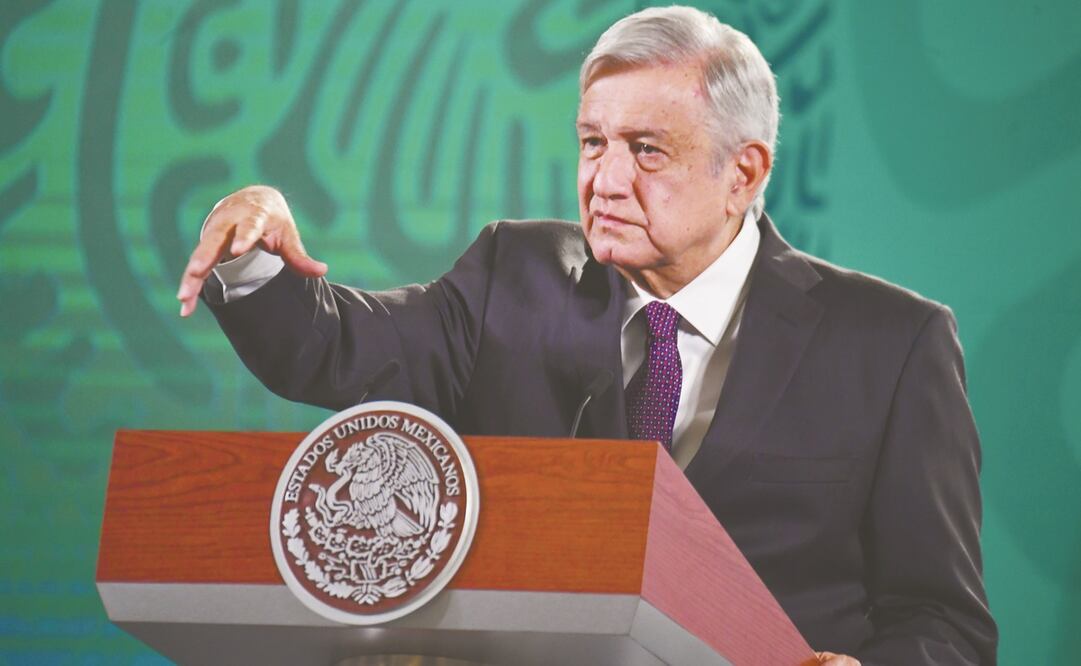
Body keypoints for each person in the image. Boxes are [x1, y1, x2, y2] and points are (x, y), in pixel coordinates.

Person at [176, 6, 996, 664]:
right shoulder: (514, 277)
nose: (603, 180)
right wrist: (255, 259)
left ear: (742, 174)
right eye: (592, 142)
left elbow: (943, 628)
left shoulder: (891, 344)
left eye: (646, 151)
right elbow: (339, 346)